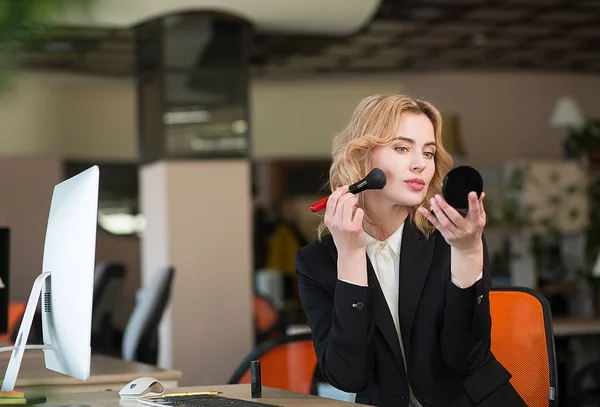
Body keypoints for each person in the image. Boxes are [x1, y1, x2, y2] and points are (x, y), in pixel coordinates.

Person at [295, 94, 526, 406]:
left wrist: (469, 253)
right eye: (402, 148)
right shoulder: (316, 262)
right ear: (362, 157)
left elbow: (466, 359)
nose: (421, 163)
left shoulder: (452, 236)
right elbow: (350, 376)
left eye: (428, 152)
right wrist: (350, 257)